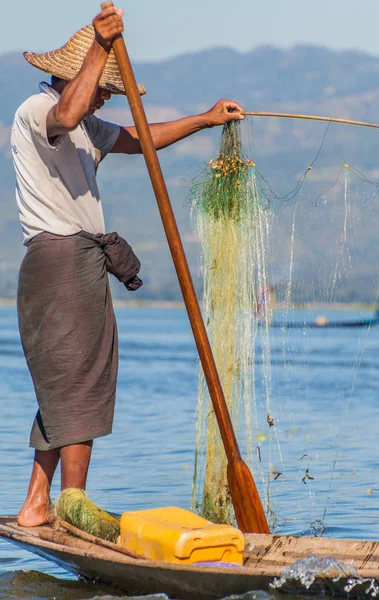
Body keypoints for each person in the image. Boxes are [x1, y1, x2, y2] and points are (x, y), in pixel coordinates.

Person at [12, 1, 244, 528]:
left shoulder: (87, 127)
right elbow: (68, 112)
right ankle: (71, 502)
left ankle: (37, 502)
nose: (107, 99)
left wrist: (205, 119)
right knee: (78, 377)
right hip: (61, 257)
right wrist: (99, 43)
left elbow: (140, 137)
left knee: (68, 378)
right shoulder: (38, 110)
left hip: (79, 258)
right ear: (82, 76)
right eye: (105, 90)